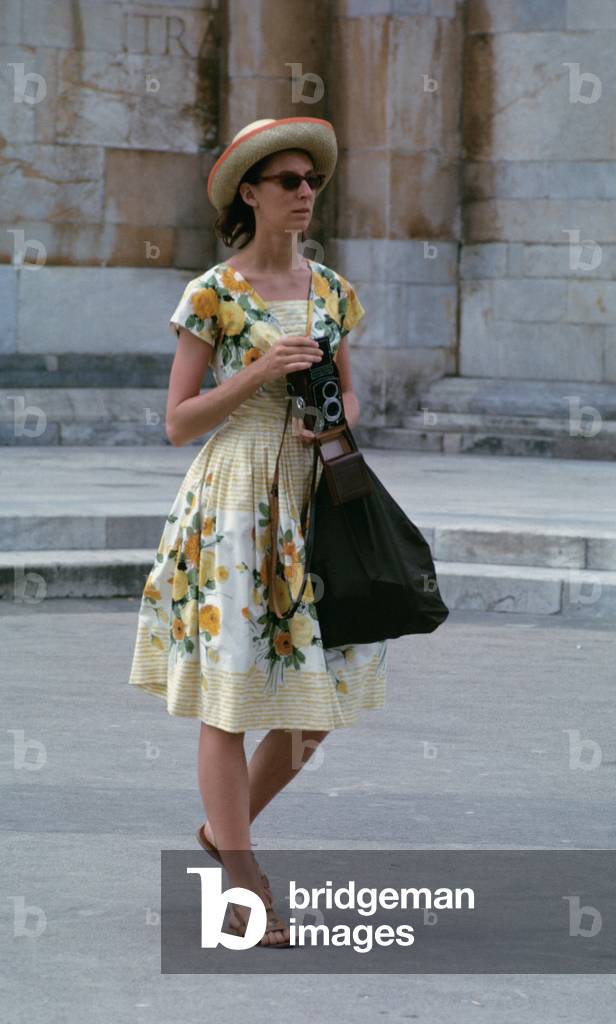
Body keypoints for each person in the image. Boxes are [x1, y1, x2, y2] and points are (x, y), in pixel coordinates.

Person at [127, 117, 388, 947]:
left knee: (319, 702)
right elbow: (177, 422)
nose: (304, 193)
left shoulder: (332, 291)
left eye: (311, 180)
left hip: (313, 497)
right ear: (250, 193)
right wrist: (257, 372)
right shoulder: (211, 292)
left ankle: (220, 833)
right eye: (287, 181)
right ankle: (244, 882)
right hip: (235, 499)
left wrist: (329, 426)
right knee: (230, 700)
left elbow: (350, 399)